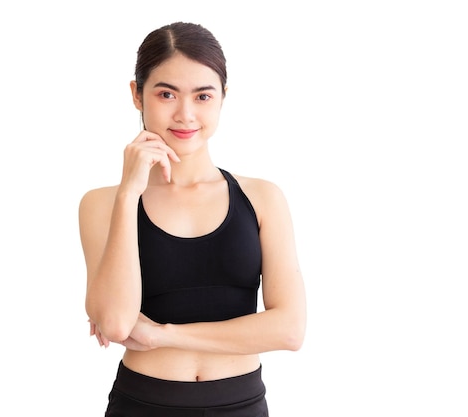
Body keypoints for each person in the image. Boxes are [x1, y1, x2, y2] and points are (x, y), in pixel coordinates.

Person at [78, 21, 306, 416]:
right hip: (142, 404)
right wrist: (129, 192)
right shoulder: (104, 204)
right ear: (137, 95)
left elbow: (289, 329)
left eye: (202, 96)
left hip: (241, 405)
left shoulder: (262, 198)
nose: (185, 114)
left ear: (222, 98)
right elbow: (115, 323)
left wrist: (161, 334)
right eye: (166, 93)